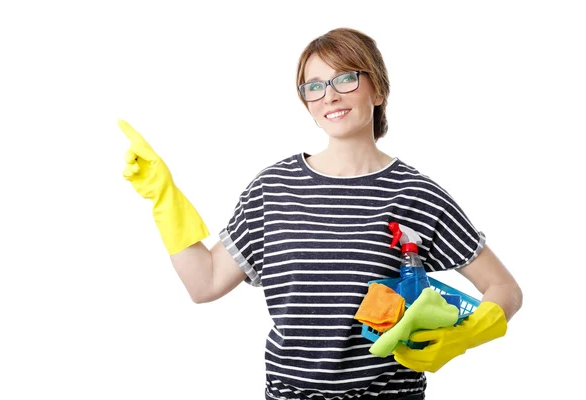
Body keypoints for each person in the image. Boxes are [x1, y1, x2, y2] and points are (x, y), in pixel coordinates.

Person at [119, 27, 523, 400]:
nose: (329, 95)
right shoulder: (273, 189)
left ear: (378, 90)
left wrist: (467, 335)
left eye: (345, 78)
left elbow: (505, 289)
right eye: (314, 86)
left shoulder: (417, 193)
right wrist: (163, 197)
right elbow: (204, 283)